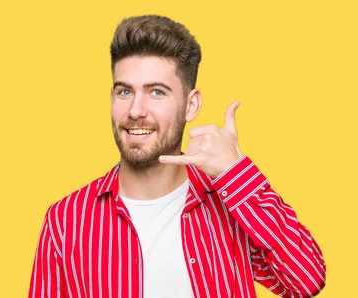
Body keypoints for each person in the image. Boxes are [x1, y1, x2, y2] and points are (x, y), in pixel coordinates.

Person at [28, 15, 326, 298]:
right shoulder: (67, 220)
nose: (135, 110)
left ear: (191, 105)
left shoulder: (231, 205)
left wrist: (236, 173)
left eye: (156, 92)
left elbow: (307, 279)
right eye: (124, 92)